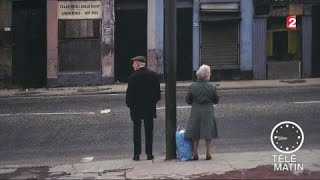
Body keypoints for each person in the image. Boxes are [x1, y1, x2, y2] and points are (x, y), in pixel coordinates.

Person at [126, 56, 161, 161]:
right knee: (149, 131)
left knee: (136, 131)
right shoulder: (154, 76)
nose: (132, 65)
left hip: (136, 108)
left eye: (133, 63)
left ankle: (136, 155)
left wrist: (131, 105)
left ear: (138, 64)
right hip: (149, 108)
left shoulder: (132, 77)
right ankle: (149, 154)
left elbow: (129, 96)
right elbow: (158, 95)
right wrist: (152, 103)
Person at [185, 64, 219, 160]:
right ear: (207, 74)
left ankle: (195, 153)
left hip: (196, 110)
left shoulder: (192, 86)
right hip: (208, 110)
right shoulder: (212, 86)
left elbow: (188, 100)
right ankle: (208, 153)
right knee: (208, 132)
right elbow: (216, 99)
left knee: (195, 132)